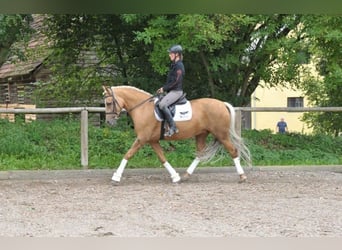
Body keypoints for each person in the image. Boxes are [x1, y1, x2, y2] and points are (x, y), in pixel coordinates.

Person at [157, 44, 185, 137]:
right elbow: (170, 81)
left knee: (162, 104)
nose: (169, 55)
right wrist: (163, 89)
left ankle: (173, 127)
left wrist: (164, 88)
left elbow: (176, 81)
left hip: (176, 91)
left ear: (177, 54)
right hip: (171, 91)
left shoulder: (179, 66)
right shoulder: (174, 65)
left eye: (171, 53)